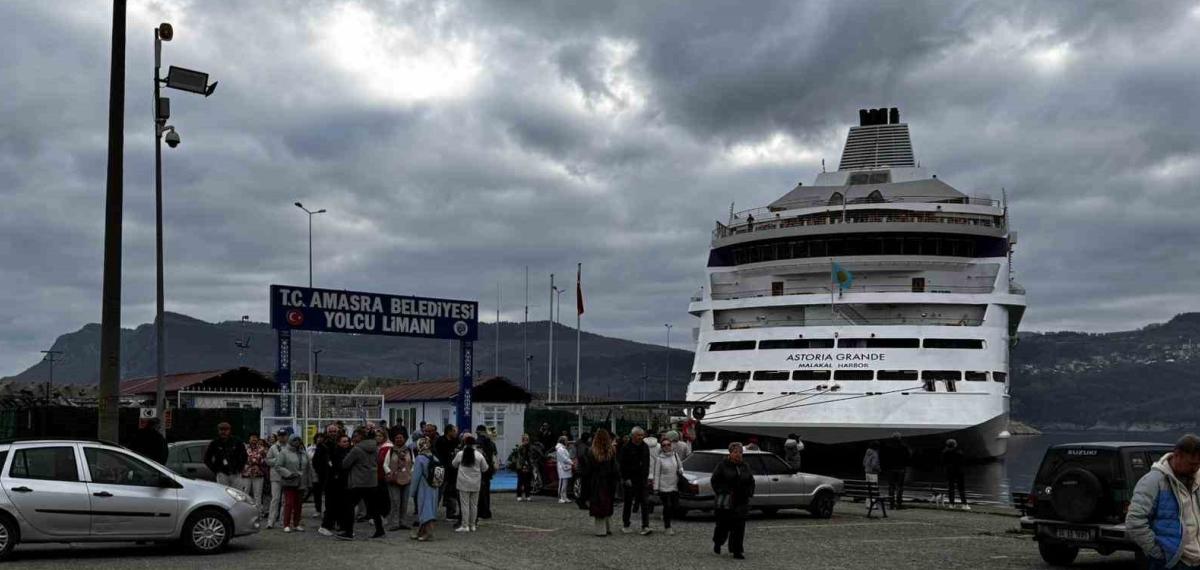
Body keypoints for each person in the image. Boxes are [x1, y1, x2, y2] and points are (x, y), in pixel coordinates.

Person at [1128, 434, 1200, 570]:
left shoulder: (1198, 478)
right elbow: (1134, 521)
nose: (1195, 468)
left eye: (1199, 464)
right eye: (1192, 464)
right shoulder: (1153, 481)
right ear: (1177, 455)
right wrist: (1158, 553)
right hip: (1172, 562)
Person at [712, 442, 755, 560]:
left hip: (741, 500)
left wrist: (750, 492)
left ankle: (737, 550)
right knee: (723, 526)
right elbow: (714, 480)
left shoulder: (745, 466)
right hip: (727, 501)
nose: (738, 454)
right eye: (735, 452)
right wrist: (722, 491)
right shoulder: (722, 465)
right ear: (730, 453)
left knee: (739, 527)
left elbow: (751, 480)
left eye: (740, 452)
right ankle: (718, 542)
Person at [340, 428, 384, 540]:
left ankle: (348, 532)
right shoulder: (375, 448)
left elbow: (345, 464)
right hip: (372, 481)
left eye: (356, 435)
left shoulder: (357, 449)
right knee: (374, 507)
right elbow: (378, 462)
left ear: (361, 436)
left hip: (358, 482)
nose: (354, 437)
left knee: (349, 506)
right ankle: (380, 530)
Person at [582, 428, 620, 536]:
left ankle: (601, 530)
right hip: (609, 481)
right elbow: (615, 468)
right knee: (608, 503)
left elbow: (588, 470)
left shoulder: (591, 452)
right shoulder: (611, 451)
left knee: (598, 504)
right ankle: (608, 527)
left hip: (596, 481)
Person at [619, 426, 652, 535]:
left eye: (642, 435)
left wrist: (647, 477)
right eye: (638, 435)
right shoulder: (626, 448)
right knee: (628, 502)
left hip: (642, 478)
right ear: (633, 436)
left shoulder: (645, 447)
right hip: (630, 479)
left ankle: (645, 525)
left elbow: (647, 463)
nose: (641, 437)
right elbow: (622, 464)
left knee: (645, 503)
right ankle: (626, 524)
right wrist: (626, 478)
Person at [453, 432, 489, 532]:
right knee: (474, 505)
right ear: (475, 444)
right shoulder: (479, 455)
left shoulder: (460, 454)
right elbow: (485, 468)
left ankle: (465, 525)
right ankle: (473, 525)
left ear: (464, 443)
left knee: (464, 505)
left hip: (463, 483)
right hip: (476, 483)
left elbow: (454, 464)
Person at [318, 433, 351, 536]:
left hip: (343, 483)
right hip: (333, 483)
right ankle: (325, 526)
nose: (346, 443)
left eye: (347, 441)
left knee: (342, 506)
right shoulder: (335, 452)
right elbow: (335, 467)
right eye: (344, 441)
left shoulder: (347, 452)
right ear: (338, 442)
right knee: (331, 506)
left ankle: (342, 527)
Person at [651, 437, 685, 536]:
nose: (666, 446)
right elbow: (656, 474)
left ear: (671, 445)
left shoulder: (675, 455)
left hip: (674, 485)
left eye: (668, 444)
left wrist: (681, 471)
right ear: (661, 447)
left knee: (675, 506)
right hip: (663, 486)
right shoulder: (659, 459)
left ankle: (668, 519)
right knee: (667, 506)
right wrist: (656, 488)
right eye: (664, 445)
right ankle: (667, 526)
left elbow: (680, 466)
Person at [277, 435, 311, 532]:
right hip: (289, 481)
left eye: (299, 440)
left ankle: (296, 524)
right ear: (291, 441)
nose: (297, 442)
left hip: (301, 482)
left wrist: (309, 482)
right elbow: (278, 466)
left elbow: (308, 468)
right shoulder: (284, 452)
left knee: (298, 504)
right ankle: (286, 524)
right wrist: (289, 474)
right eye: (295, 440)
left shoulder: (303, 453)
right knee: (289, 503)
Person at [411, 437, 441, 541]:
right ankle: (421, 532)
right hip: (434, 487)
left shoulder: (420, 458)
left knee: (424, 509)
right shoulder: (434, 457)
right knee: (430, 508)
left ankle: (429, 533)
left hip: (423, 487)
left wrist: (412, 492)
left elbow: (416, 477)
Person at [204, 422, 248, 491]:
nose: (223, 432)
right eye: (221, 430)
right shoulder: (214, 443)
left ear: (229, 430)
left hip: (236, 474)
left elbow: (244, 456)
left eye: (226, 430)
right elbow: (207, 459)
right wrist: (216, 470)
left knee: (237, 494)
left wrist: (240, 468)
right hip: (222, 474)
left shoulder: (237, 441)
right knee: (223, 494)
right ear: (218, 431)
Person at [385, 431, 414, 531]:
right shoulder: (391, 451)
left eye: (401, 437)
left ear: (404, 439)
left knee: (404, 502)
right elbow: (385, 464)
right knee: (395, 501)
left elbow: (413, 464)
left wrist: (410, 474)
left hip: (406, 479)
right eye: (397, 438)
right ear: (394, 439)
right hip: (394, 480)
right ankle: (394, 523)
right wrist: (391, 472)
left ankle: (403, 522)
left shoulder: (409, 450)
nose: (399, 439)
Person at [265, 429, 290, 528]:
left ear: (287, 436)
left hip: (287, 476)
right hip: (275, 476)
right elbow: (267, 460)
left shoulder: (290, 447)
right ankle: (271, 521)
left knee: (285, 500)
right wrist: (278, 460)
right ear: (278, 436)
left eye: (284, 435)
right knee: (275, 499)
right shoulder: (273, 447)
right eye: (280, 435)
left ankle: (283, 521)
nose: (282, 437)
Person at [435, 425, 460, 520]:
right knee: (437, 492)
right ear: (449, 431)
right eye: (454, 431)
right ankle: (431, 513)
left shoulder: (456, 441)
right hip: (441, 470)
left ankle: (451, 513)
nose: (455, 433)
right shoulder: (441, 441)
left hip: (452, 472)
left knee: (451, 493)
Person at [881, 433, 911, 509]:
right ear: (900, 439)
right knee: (899, 487)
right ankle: (899, 503)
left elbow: (884, 458)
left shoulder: (888, 448)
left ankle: (891, 503)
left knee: (891, 486)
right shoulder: (903, 447)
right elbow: (908, 458)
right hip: (901, 468)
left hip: (890, 469)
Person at [475, 424, 498, 519]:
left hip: (481, 469)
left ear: (478, 432)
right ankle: (487, 511)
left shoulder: (479, 441)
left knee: (481, 492)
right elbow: (494, 456)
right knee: (486, 491)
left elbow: (478, 456)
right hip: (489, 469)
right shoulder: (491, 442)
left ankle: (482, 512)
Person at [242, 434, 268, 514]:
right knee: (245, 493)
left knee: (257, 494)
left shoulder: (262, 449)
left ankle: (258, 512)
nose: (253, 440)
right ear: (249, 440)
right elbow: (241, 459)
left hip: (258, 474)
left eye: (255, 439)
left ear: (257, 440)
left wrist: (256, 462)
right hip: (246, 473)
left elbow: (265, 460)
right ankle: (244, 512)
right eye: (252, 439)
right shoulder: (244, 448)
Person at [374, 430, 394, 530]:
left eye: (380, 436)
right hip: (377, 475)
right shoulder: (378, 447)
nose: (378, 437)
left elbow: (383, 461)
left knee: (384, 497)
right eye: (376, 436)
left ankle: (385, 515)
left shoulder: (387, 447)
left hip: (384, 475)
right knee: (379, 496)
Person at [508, 434, 538, 502]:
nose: (526, 441)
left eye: (527, 440)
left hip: (529, 466)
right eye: (525, 440)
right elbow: (520, 458)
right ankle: (519, 496)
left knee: (528, 482)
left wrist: (532, 466)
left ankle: (528, 495)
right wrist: (523, 465)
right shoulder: (520, 448)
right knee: (520, 481)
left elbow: (531, 457)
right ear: (522, 440)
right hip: (520, 466)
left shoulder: (530, 448)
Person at [942, 439, 968, 510]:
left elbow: (943, 462)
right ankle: (964, 504)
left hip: (949, 471)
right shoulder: (959, 452)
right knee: (961, 488)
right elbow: (963, 461)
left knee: (951, 488)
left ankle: (951, 504)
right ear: (955, 445)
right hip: (959, 471)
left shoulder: (944, 452)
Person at [308, 433, 326, 520]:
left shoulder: (324, 448)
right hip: (313, 473)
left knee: (323, 492)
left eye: (321, 437)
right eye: (318, 438)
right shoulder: (310, 448)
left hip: (322, 472)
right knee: (316, 492)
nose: (319, 439)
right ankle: (318, 509)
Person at [555, 436, 573, 503]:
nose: (567, 441)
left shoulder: (563, 448)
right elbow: (564, 458)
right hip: (562, 468)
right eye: (566, 440)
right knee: (562, 482)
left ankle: (564, 497)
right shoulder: (560, 449)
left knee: (565, 484)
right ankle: (560, 497)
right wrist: (571, 462)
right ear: (563, 441)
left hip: (566, 467)